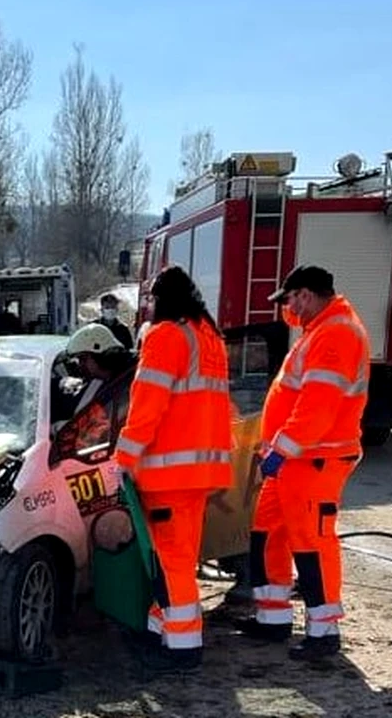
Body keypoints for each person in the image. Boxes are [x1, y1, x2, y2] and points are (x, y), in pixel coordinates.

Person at [235, 265, 370, 662]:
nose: (287, 309)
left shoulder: (336, 335)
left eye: (289, 299)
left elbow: (316, 410)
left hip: (314, 460)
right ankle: (273, 618)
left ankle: (324, 631)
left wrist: (282, 450)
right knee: (267, 533)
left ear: (306, 295)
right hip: (299, 460)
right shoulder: (321, 332)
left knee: (312, 543)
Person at [114, 265, 233, 676]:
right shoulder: (208, 338)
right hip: (201, 471)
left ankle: (182, 646)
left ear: (160, 299)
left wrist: (123, 458)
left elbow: (147, 406)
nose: (147, 307)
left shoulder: (167, 337)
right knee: (178, 556)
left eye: (150, 299)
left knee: (172, 562)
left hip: (169, 473)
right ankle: (158, 629)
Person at [51, 323, 133, 439]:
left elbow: (97, 430)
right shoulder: (98, 382)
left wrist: (60, 429)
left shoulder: (125, 386)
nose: (80, 365)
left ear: (103, 357)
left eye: (83, 359)